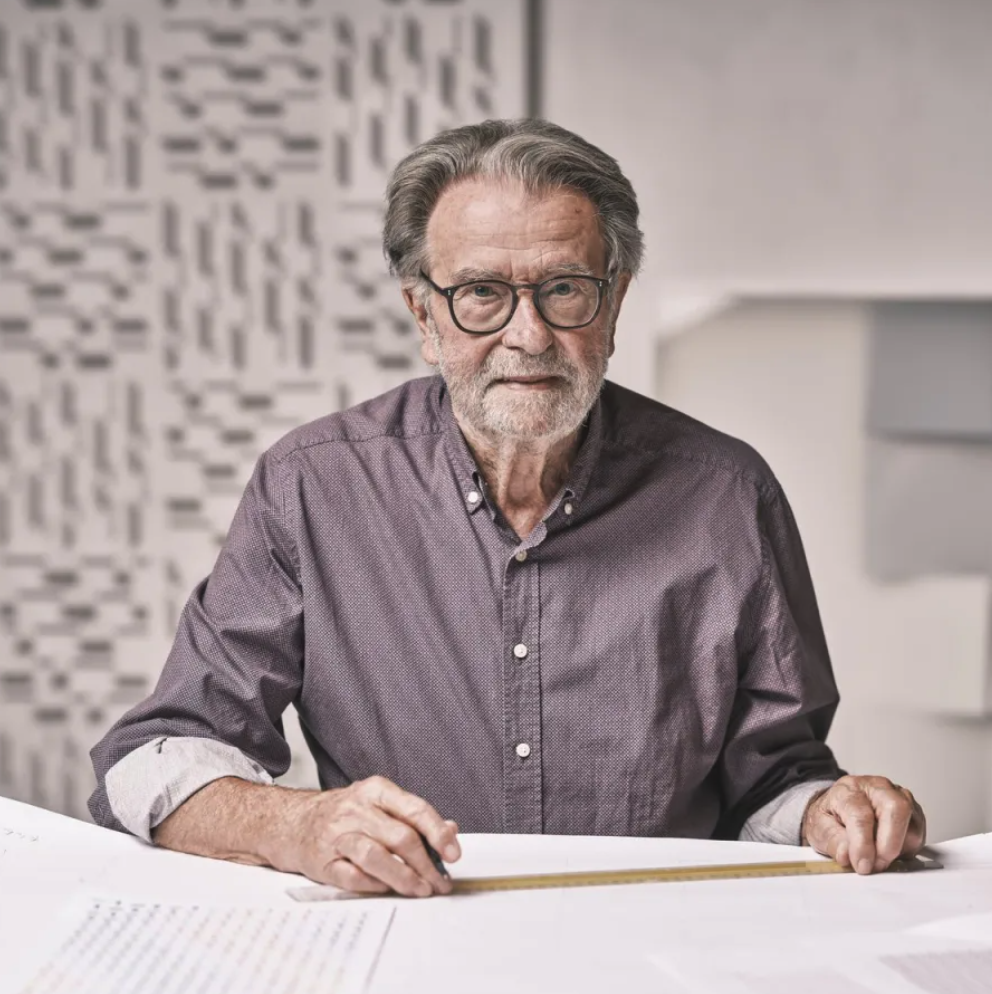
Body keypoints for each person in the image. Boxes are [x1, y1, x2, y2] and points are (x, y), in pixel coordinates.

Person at [90, 119, 925, 898]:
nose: (528, 336)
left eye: (565, 290)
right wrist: (298, 824)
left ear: (616, 297)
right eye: (482, 294)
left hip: (655, 950)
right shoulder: (312, 486)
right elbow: (149, 760)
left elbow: (773, 781)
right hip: (405, 944)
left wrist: (830, 812)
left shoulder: (728, 494)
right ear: (424, 313)